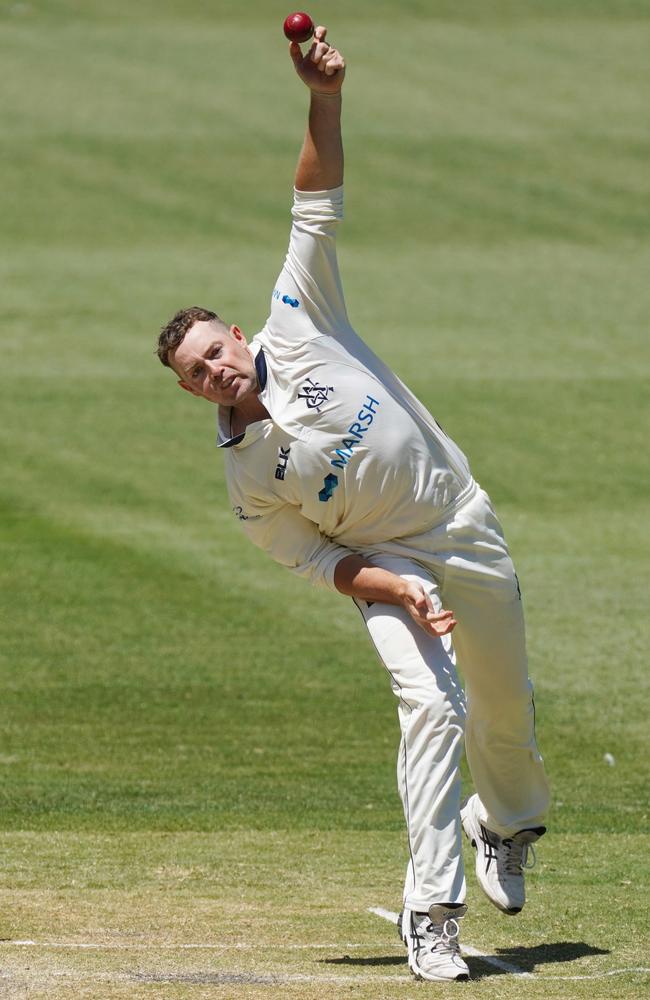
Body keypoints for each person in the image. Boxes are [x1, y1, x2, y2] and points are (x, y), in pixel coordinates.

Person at [156, 26, 550, 984]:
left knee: (502, 715)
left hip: (461, 523)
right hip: (390, 568)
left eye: (215, 349)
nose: (215, 370)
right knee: (433, 710)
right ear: (190, 392)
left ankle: (507, 824)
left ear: (239, 334)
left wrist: (323, 96)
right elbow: (323, 565)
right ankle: (432, 916)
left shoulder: (299, 317)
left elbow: (314, 198)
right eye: (196, 372)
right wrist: (398, 592)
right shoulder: (248, 485)